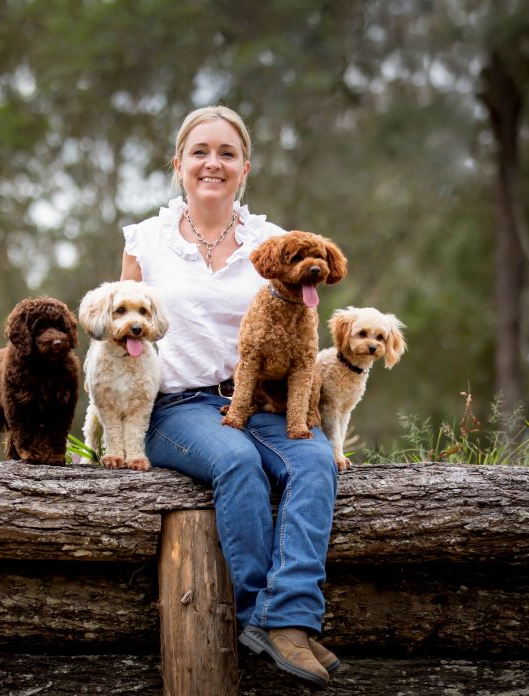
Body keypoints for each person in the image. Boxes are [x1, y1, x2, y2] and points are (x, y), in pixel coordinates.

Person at [120, 105, 340, 687]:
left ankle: (288, 618)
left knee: (315, 461)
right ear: (178, 165)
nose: (212, 163)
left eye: (226, 154)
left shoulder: (274, 243)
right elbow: (122, 337)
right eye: (200, 152)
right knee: (238, 462)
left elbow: (301, 331)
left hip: (261, 401)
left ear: (246, 168)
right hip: (177, 408)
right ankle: (261, 614)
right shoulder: (146, 240)